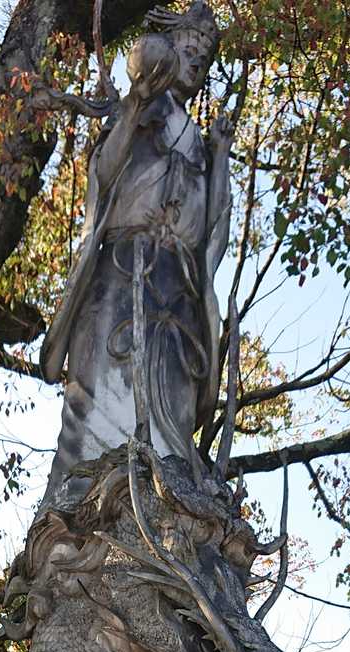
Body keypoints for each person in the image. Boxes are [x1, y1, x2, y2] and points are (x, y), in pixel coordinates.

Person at [39, 3, 232, 489]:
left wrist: (222, 154)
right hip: (121, 278)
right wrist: (132, 107)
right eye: (189, 49)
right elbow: (104, 176)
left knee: (172, 433)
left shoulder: (200, 141)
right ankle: (79, 509)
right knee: (98, 406)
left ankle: (164, 504)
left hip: (178, 293)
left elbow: (213, 227)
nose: (196, 61)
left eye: (204, 58)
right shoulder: (140, 111)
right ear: (167, 49)